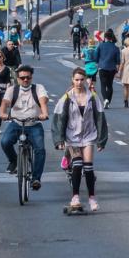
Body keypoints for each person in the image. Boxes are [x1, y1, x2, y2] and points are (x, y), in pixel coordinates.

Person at [52, 68, 108, 211]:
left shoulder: (93, 97)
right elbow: (59, 119)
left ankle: (92, 198)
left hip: (89, 136)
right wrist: (59, 140)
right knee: (77, 165)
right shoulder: (67, 97)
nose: (79, 82)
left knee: (88, 167)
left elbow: (100, 118)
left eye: (81, 79)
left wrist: (102, 140)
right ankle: (75, 196)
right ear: (72, 80)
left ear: (85, 80)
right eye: (76, 80)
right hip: (73, 136)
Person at [0, 65, 49, 190]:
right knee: (5, 142)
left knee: (40, 150)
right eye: (22, 78)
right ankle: (14, 161)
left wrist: (44, 114)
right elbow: (4, 103)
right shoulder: (12, 90)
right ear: (18, 78)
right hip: (16, 123)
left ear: (31, 77)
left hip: (34, 124)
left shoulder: (38, 88)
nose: (25, 80)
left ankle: (36, 178)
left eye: (28, 77)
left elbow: (43, 101)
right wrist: (2, 114)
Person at [94, 29, 120, 109]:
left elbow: (95, 56)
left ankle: (105, 99)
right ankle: (108, 101)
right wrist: (117, 69)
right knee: (109, 85)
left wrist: (98, 62)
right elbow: (118, 60)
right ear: (112, 37)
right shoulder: (116, 48)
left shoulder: (100, 46)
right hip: (111, 68)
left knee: (103, 85)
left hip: (102, 67)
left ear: (105, 37)